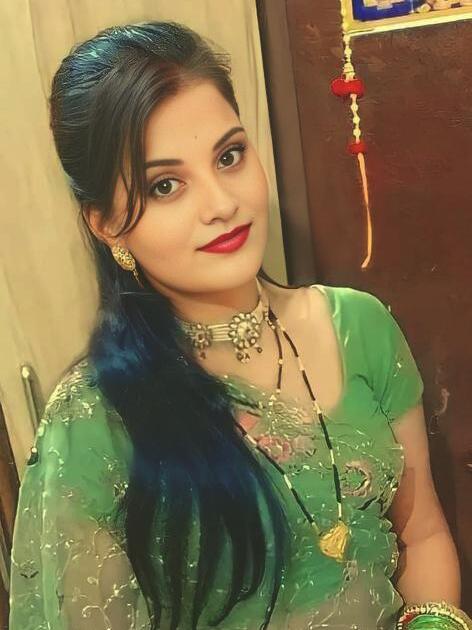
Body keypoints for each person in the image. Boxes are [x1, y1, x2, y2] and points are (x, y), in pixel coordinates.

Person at [8, 20, 471, 630]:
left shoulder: (359, 326)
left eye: (229, 156)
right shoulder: (96, 419)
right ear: (107, 224)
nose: (222, 203)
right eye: (166, 185)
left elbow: (421, 531)